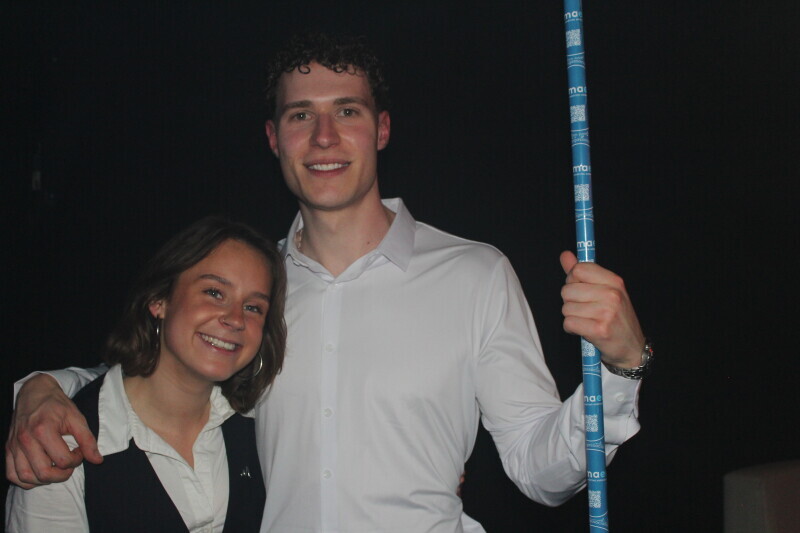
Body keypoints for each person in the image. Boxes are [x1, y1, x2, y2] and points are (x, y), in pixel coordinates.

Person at [6, 33, 651, 532]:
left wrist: (620, 368)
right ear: (273, 138)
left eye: (347, 110)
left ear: (382, 128)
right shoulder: (252, 294)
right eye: (299, 116)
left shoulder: (476, 274)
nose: (323, 137)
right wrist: (41, 388)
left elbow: (542, 471)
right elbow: (157, 378)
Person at [5, 216, 287, 532]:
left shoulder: (259, 425)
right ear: (159, 300)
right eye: (214, 292)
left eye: (253, 307)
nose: (235, 319)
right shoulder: (59, 443)